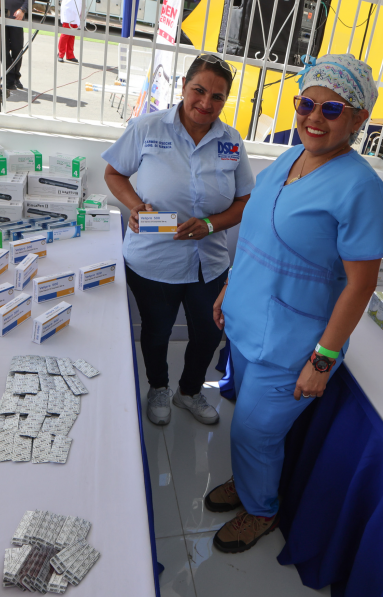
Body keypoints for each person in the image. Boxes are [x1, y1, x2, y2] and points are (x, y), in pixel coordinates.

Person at [207, 54, 383, 553]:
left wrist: (323, 360)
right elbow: (257, 237)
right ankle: (249, 481)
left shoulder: (363, 190)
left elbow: (360, 286)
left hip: (294, 345)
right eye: (306, 104)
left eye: (332, 110)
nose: (314, 118)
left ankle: (262, 510)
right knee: (247, 428)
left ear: (359, 119)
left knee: (255, 433)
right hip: (248, 323)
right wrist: (229, 288)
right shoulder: (289, 159)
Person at [102, 54, 254, 426]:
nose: (206, 103)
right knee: (157, 331)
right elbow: (113, 174)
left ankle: (189, 391)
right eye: (198, 90)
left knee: (209, 333)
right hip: (154, 258)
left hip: (209, 261)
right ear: (183, 86)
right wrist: (135, 206)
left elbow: (245, 201)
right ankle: (158, 387)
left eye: (217, 97)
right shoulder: (148, 127)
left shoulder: (231, 141)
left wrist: (210, 225)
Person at [3, 0, 27, 90]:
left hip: (16, 17)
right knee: (2, 50)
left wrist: (23, 9)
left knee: (17, 49)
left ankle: (15, 76)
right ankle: (10, 78)